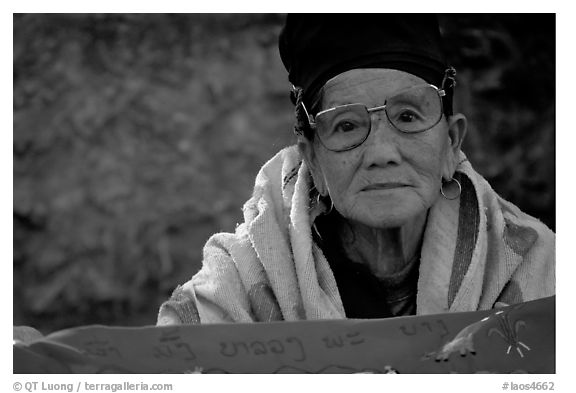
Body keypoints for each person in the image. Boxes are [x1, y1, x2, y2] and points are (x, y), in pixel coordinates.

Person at [157, 14, 555, 325]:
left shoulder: (540, 268)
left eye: (408, 116)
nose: (381, 153)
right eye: (346, 125)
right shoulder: (236, 286)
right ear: (312, 160)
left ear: (451, 143)